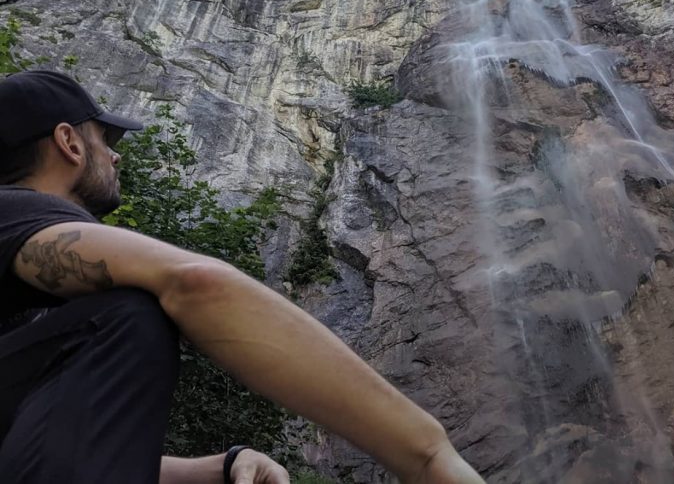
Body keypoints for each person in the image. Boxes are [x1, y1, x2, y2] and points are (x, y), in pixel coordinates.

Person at [0, 70, 485, 484]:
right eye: (106, 140)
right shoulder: (14, 210)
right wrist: (428, 456)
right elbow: (194, 282)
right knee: (131, 308)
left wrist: (221, 466)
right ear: (68, 143)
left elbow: (44, 441)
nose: (116, 156)